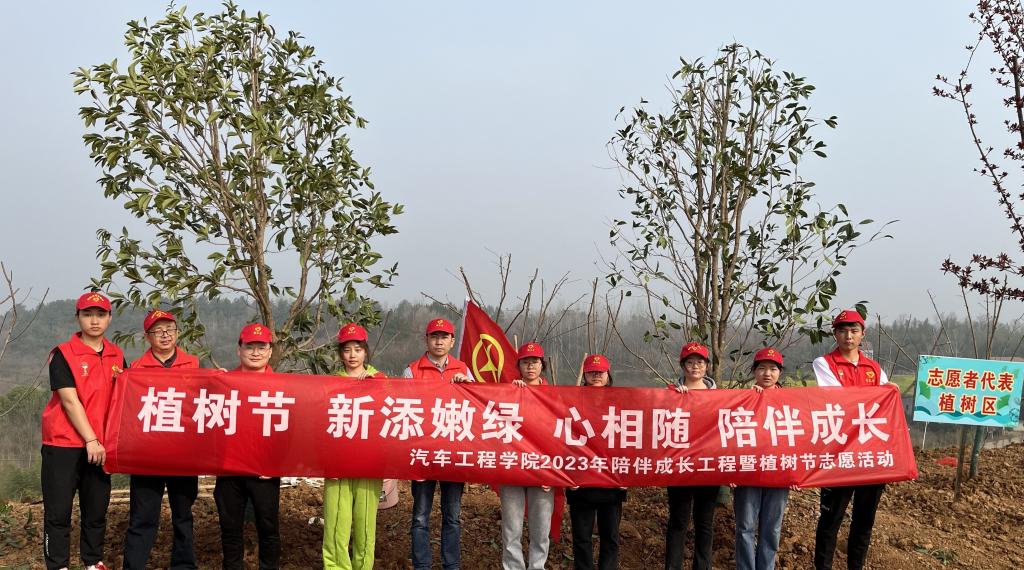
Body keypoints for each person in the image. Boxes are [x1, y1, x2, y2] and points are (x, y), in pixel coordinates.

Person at [40, 292, 126, 570]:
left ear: (109, 318)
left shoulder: (116, 355)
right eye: (88, 315)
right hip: (63, 444)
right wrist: (90, 438)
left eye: (100, 315)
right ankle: (58, 565)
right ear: (77, 318)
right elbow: (69, 400)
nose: (94, 321)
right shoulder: (63, 353)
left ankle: (92, 561)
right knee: (59, 511)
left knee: (96, 509)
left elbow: (128, 394)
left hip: (101, 446)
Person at [122, 309, 201, 570]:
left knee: (183, 515)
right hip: (147, 456)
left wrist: (221, 379)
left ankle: (184, 566)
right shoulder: (135, 369)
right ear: (147, 337)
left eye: (170, 329)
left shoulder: (193, 364)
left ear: (177, 333)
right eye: (158, 331)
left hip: (183, 454)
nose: (165, 335)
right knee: (142, 517)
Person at [811, 310, 889, 570]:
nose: (848, 336)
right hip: (839, 453)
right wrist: (875, 397)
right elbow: (838, 400)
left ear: (863, 334)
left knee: (864, 522)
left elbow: (886, 402)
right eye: (843, 331)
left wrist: (887, 393)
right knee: (830, 520)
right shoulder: (824, 363)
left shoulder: (874, 368)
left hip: (870, 454)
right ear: (835, 334)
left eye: (854, 331)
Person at [402, 317, 474, 570]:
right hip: (423, 452)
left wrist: (468, 387)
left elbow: (476, 407)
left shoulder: (463, 370)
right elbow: (402, 408)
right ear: (427, 340)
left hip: (453, 453)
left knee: (452, 515)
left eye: (444, 337)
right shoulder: (412, 370)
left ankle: (451, 565)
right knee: (420, 516)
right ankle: (422, 565)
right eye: (434, 337)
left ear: (452, 341)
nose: (439, 341)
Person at [214, 323, 281, 570]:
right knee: (230, 528)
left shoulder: (284, 386)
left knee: (268, 527)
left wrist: (277, 463)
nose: (255, 353)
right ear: (238, 350)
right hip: (229, 469)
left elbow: (292, 433)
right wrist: (211, 383)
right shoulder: (225, 382)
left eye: (261, 347)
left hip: (265, 470)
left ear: (270, 351)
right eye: (249, 347)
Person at [323, 323, 386, 570]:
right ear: (340, 354)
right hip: (337, 461)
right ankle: (335, 566)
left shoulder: (380, 380)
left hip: (369, 462)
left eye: (357, 349)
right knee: (336, 521)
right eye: (347, 350)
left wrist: (375, 384)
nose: (352, 355)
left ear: (365, 352)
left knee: (365, 521)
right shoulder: (330, 383)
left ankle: (363, 566)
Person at [734, 348, 791, 570]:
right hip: (748, 470)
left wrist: (798, 474)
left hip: (779, 471)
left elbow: (802, 438)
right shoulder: (743, 399)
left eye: (773, 369)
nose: (767, 373)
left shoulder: (791, 400)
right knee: (745, 526)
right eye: (762, 368)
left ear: (780, 372)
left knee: (772, 528)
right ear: (754, 371)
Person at [567, 354, 625, 570]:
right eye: (591, 372)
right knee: (582, 537)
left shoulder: (622, 402)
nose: (596, 376)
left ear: (608, 374)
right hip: (580, 478)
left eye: (600, 372)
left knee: (610, 536)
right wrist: (567, 476)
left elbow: (631, 440)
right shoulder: (572, 400)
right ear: (584, 375)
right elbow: (563, 439)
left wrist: (627, 475)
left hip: (611, 479)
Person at [665, 342, 719, 570]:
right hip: (680, 467)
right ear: (683, 365)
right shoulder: (670, 393)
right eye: (690, 362)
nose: (695, 367)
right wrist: (673, 399)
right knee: (678, 521)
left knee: (704, 523)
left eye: (700, 362)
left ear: (707, 366)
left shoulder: (721, 397)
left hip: (709, 467)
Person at [500, 342, 555, 570]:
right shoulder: (508, 392)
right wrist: (511, 393)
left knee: (541, 529)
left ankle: (537, 567)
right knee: (511, 529)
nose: (530, 366)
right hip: (513, 467)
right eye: (525, 362)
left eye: (535, 362)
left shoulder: (555, 396)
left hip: (542, 470)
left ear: (542, 365)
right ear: (519, 366)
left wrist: (552, 472)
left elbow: (560, 436)